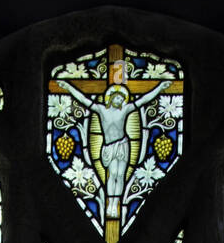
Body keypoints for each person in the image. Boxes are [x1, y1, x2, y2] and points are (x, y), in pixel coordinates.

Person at [56, 78, 173, 221]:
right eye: (117, 97)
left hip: (123, 145)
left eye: (122, 98)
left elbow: (143, 100)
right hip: (109, 147)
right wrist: (68, 87)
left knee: (120, 175)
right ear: (111, 98)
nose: (120, 100)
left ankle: (116, 203)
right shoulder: (100, 110)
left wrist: (160, 88)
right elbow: (83, 99)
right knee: (112, 175)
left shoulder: (125, 109)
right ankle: (110, 203)